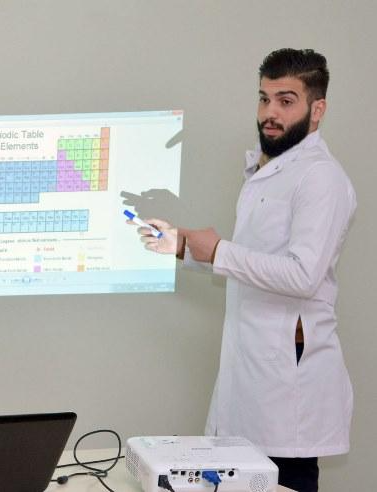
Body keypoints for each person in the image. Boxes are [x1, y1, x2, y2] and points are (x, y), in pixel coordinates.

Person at [134, 49, 355, 492]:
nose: (270, 112)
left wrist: (219, 250)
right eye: (264, 98)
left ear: (317, 110)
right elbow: (255, 263)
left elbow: (302, 276)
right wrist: (186, 247)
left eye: (286, 101)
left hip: (286, 394)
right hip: (250, 380)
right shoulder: (266, 168)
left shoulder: (321, 179)